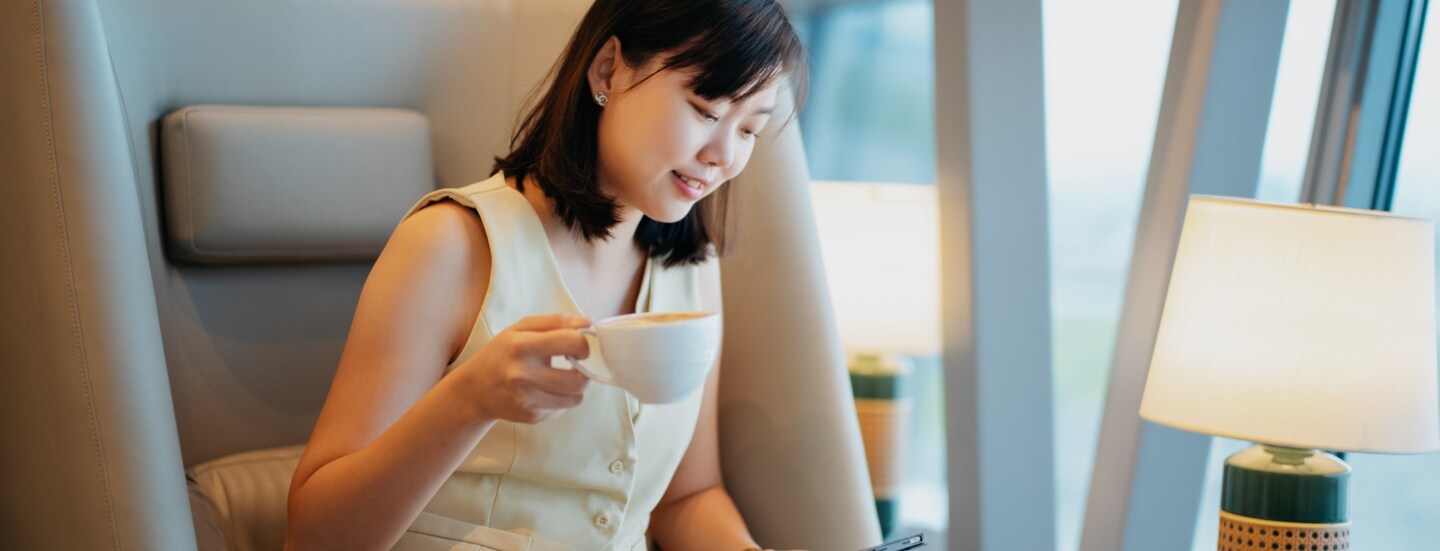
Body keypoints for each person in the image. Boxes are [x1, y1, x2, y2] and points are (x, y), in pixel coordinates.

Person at [284, 1, 807, 549]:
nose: (723, 155)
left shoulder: (692, 272)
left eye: (749, 130)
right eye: (704, 110)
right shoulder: (451, 245)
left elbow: (687, 499)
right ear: (609, 70)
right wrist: (468, 402)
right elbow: (313, 538)